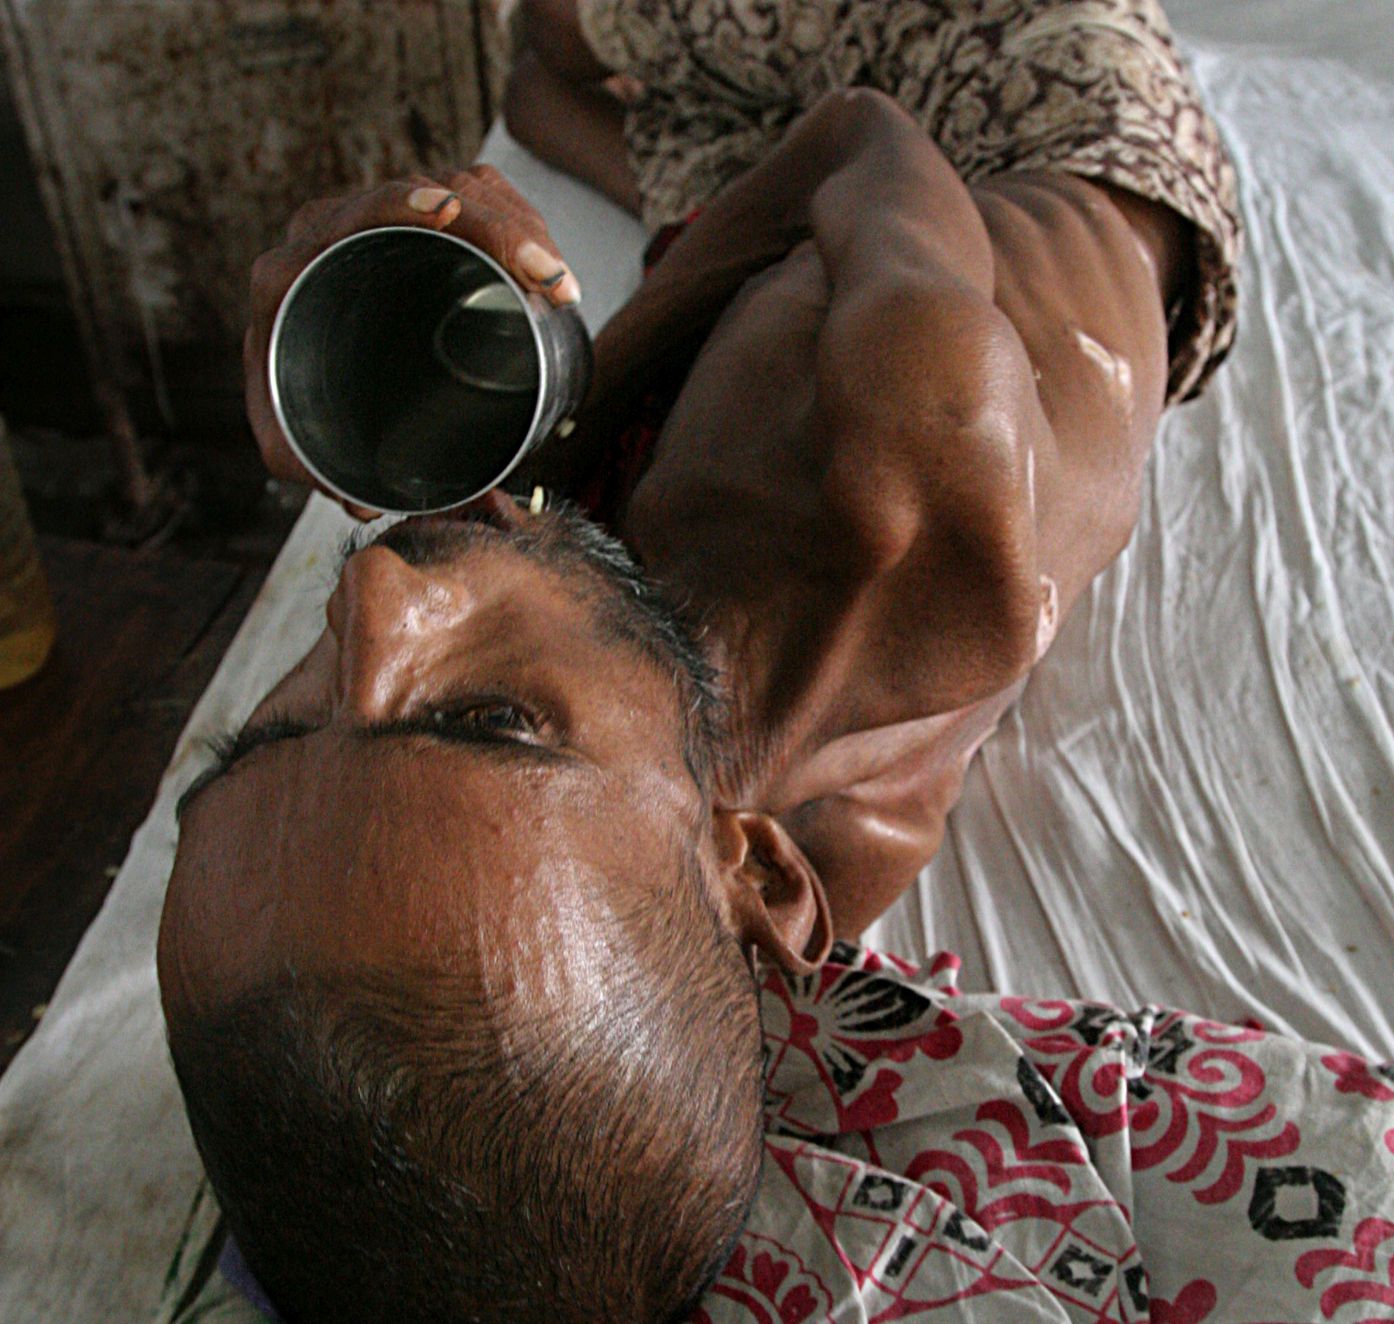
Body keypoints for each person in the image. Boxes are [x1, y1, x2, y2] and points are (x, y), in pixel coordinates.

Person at [158, 0, 1242, 1319]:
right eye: (491, 722)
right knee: (563, 35)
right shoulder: (911, 448)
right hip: (1046, 116)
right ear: (762, 870)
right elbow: (859, 135)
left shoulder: (628, 816)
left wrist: (425, 333)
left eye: (273, 732)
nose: (376, 598)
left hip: (805, 267)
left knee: (555, 69)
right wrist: (569, 378)